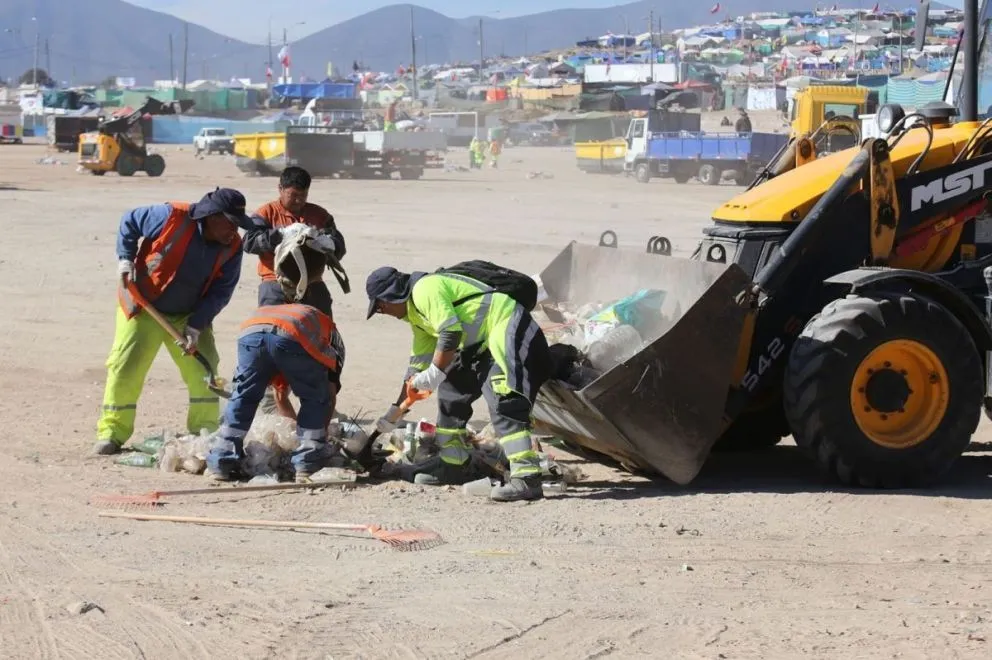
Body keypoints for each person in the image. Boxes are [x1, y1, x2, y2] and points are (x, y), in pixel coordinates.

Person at [365, 265, 553, 502]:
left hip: (504, 326)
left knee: (504, 397)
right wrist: (395, 410)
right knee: (451, 392)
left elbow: (450, 334)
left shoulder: (425, 289)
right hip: (478, 343)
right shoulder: (417, 317)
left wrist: (435, 372)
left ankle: (527, 478)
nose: (382, 312)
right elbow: (416, 369)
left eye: (380, 306)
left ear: (393, 295)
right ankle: (454, 465)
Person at [93, 188, 248, 456]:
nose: (234, 231)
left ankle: (205, 433)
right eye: (231, 223)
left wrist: (196, 326)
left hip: (188, 315)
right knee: (126, 366)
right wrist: (125, 259)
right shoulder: (171, 216)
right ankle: (111, 433)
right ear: (213, 217)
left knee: (205, 370)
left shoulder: (233, 247)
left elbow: (221, 292)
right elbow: (130, 220)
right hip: (144, 305)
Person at [206, 236, 345, 482]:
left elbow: (280, 397)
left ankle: (221, 460)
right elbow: (327, 396)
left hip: (252, 328)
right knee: (316, 398)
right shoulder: (328, 337)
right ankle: (307, 464)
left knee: (243, 397)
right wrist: (319, 439)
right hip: (293, 333)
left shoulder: (294, 346)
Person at [243, 167, 347, 414]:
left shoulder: (319, 215)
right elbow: (249, 242)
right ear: (280, 190)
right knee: (272, 341)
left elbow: (339, 246)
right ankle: (271, 402)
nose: (299, 201)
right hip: (275, 285)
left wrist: (327, 242)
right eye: (293, 195)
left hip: (313, 285)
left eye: (303, 195)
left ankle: (323, 400)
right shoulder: (265, 213)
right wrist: (279, 236)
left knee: (323, 340)